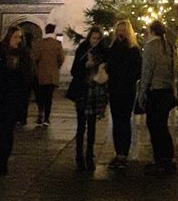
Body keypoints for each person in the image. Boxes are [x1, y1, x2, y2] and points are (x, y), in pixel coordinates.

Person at [0, 26, 34, 175]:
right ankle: (0, 154)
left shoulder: (24, 54)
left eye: (20, 38)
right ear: (9, 37)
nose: (18, 40)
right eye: (15, 37)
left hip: (13, 99)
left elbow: (28, 78)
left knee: (9, 131)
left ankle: (3, 159)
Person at [137, 20, 177, 175]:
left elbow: (147, 72)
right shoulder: (169, 46)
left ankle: (159, 160)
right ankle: (168, 159)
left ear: (151, 31)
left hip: (155, 91)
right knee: (163, 127)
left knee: (154, 127)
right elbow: (173, 70)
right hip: (166, 90)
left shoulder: (150, 47)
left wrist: (141, 94)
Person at [67, 26, 109, 172]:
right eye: (93, 38)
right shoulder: (82, 50)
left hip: (95, 91)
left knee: (92, 125)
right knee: (81, 125)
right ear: (89, 37)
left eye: (98, 38)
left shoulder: (103, 52)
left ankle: (89, 155)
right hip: (82, 91)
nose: (95, 41)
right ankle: (79, 156)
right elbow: (74, 70)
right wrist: (86, 65)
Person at [107, 19, 142, 169]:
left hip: (127, 90)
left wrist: (127, 79)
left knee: (125, 121)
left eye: (123, 30)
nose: (120, 33)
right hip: (114, 89)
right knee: (116, 121)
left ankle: (124, 154)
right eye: (118, 30)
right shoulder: (112, 48)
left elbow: (137, 71)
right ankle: (118, 152)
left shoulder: (133, 50)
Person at [32, 24, 65, 126]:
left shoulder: (39, 44)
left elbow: (35, 58)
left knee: (40, 95)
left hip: (40, 74)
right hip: (52, 76)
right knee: (49, 97)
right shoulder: (57, 44)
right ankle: (46, 118)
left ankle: (40, 112)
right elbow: (61, 58)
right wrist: (56, 66)